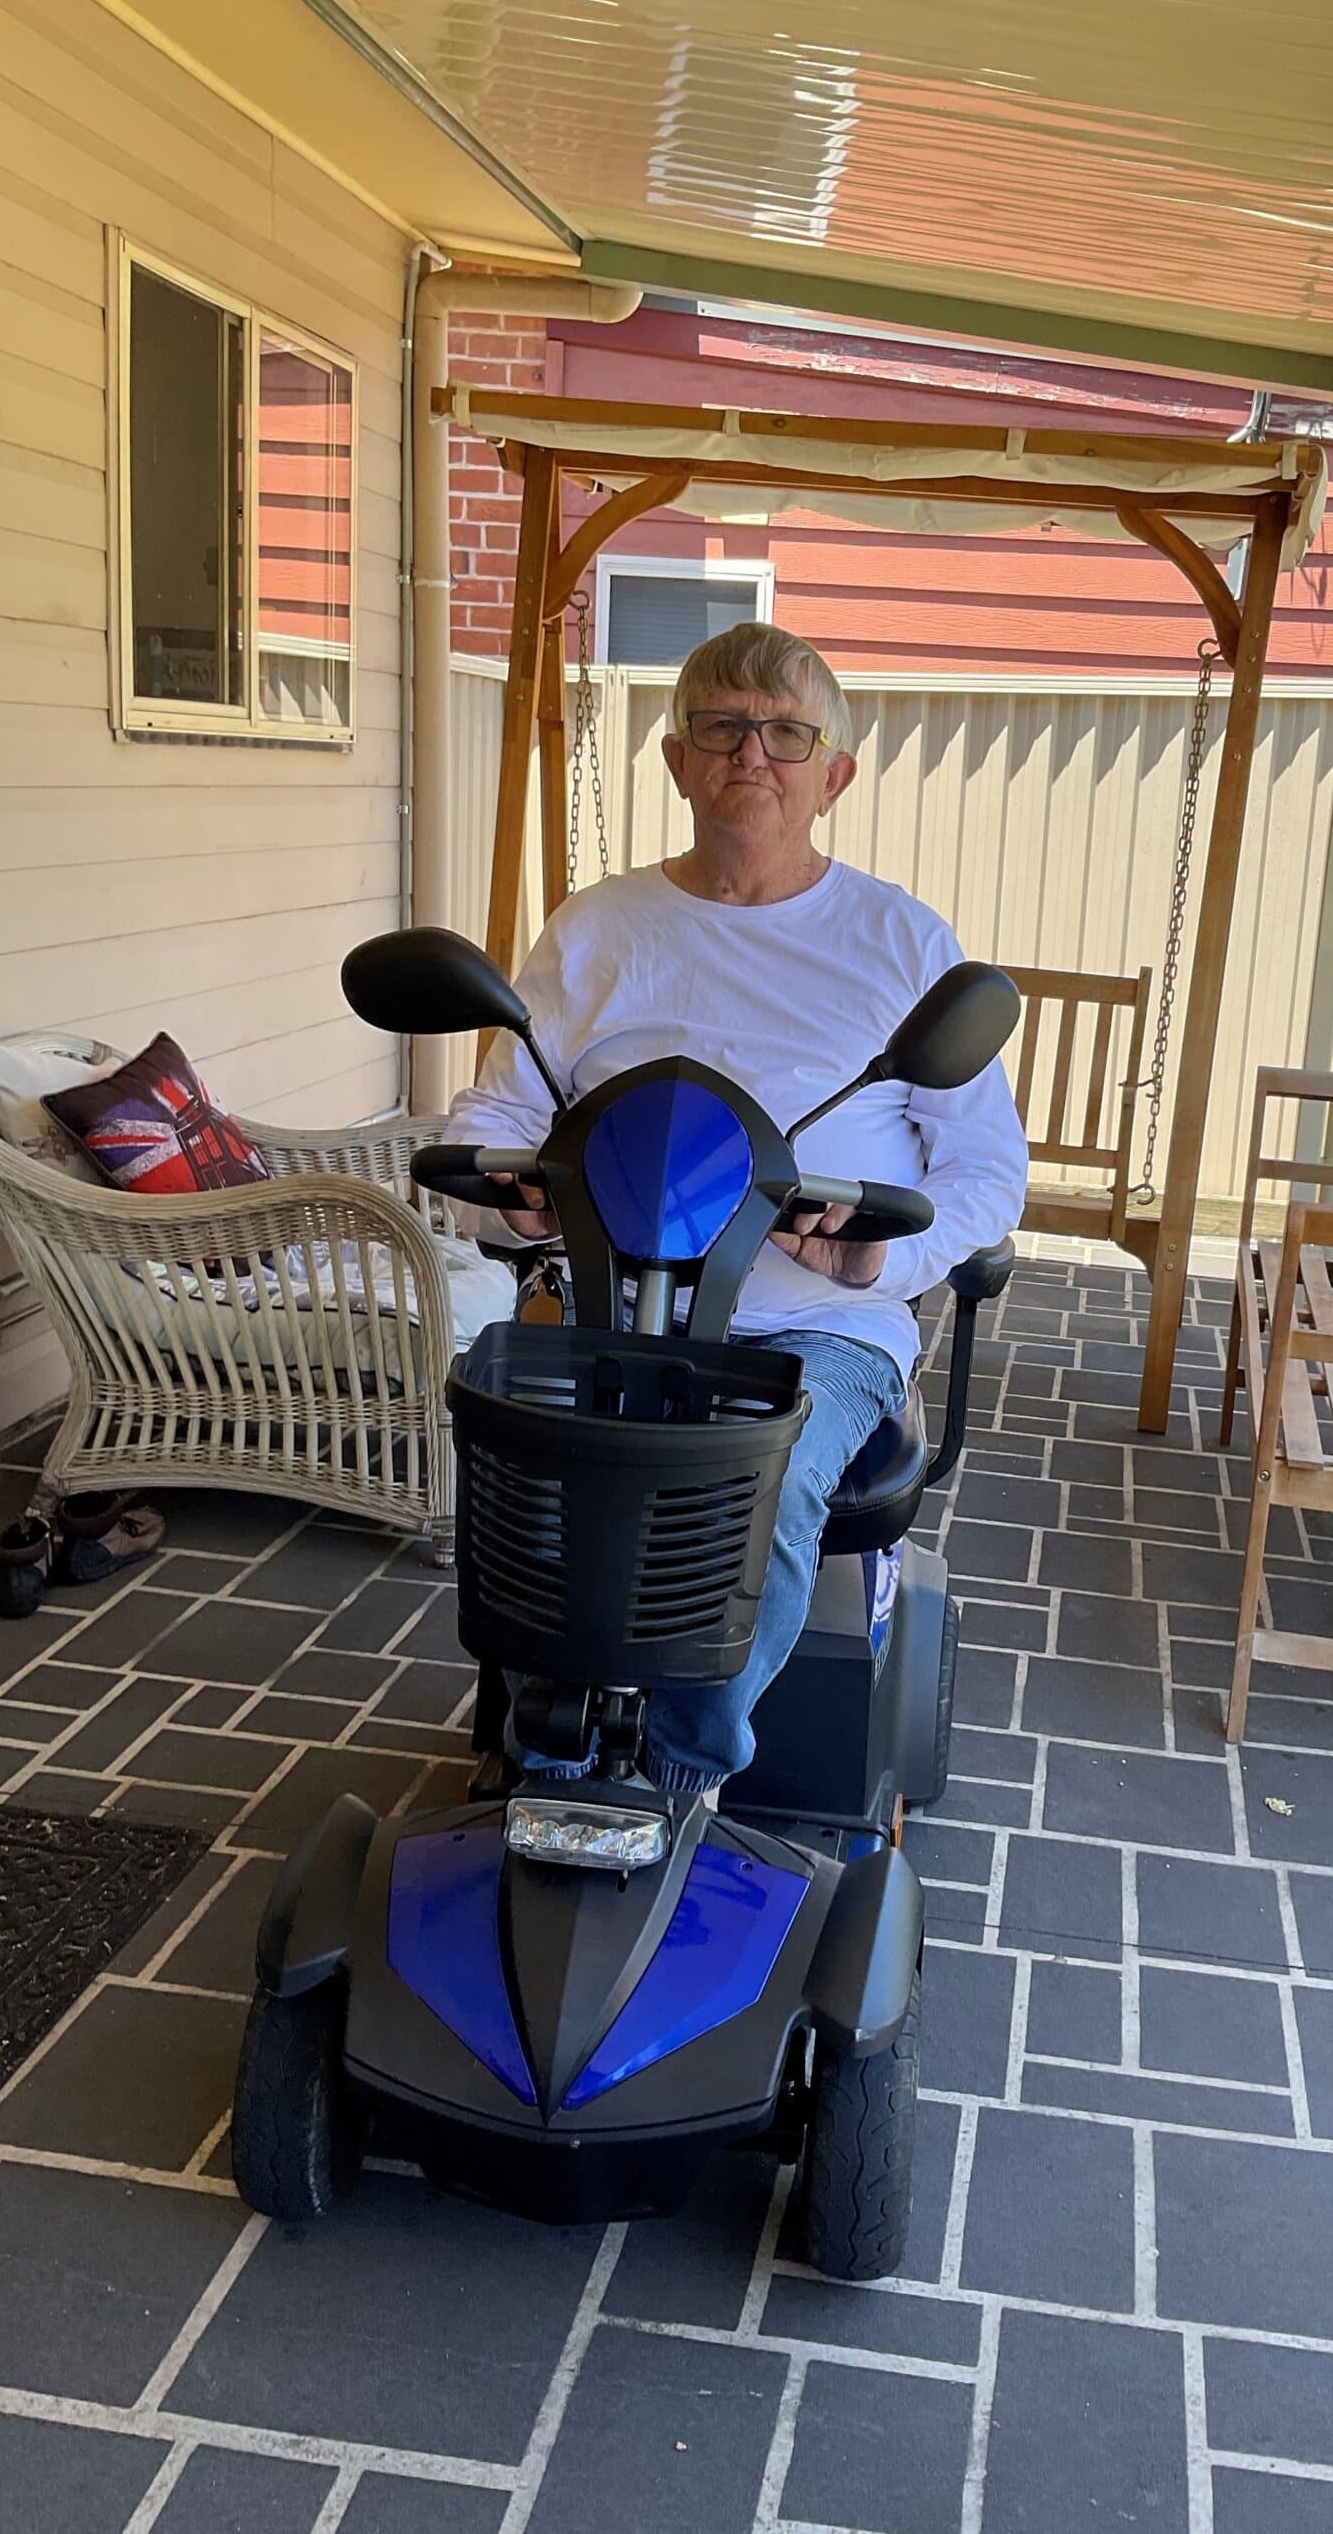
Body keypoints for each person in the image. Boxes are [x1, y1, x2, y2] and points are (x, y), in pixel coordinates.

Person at [447, 621, 1029, 1794]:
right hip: (616, 1307)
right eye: (719, 726)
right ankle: (542, 1746)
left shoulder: (902, 942)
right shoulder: (599, 929)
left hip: (813, 1326)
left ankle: (668, 1779)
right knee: (525, 1465)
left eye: (786, 734)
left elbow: (985, 1171)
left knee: (749, 1482)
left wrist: (881, 1262)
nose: (749, 755)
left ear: (835, 775)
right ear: (676, 759)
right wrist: (510, 1202)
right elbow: (493, 1117)